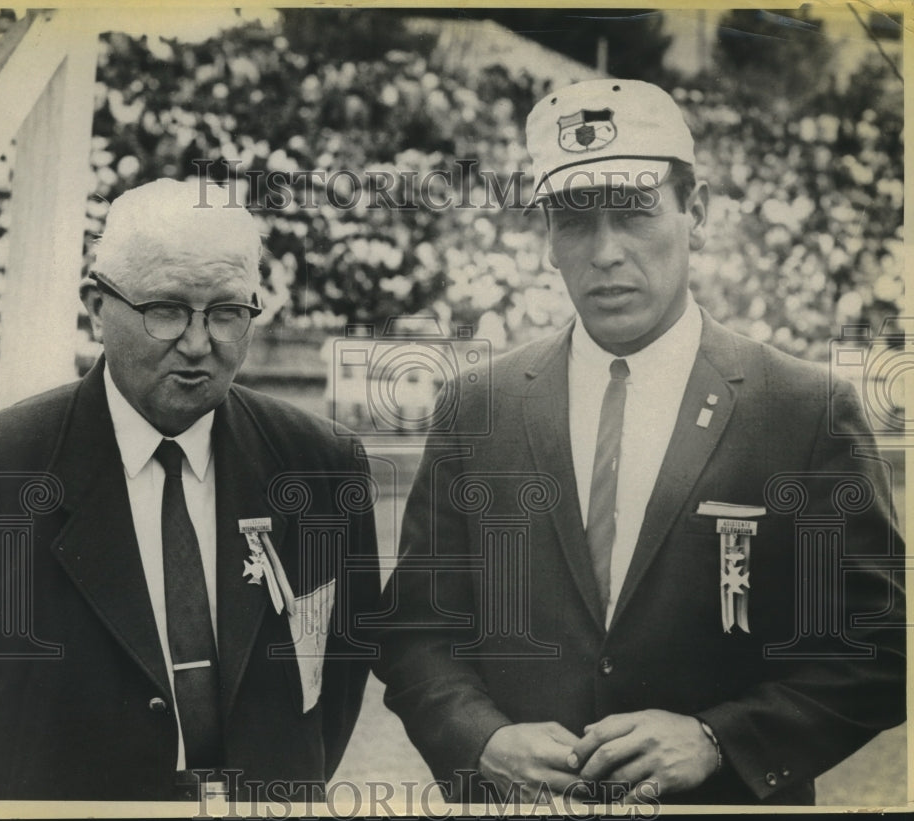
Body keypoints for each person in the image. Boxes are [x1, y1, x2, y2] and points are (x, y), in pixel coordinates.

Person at [374, 80, 905, 805]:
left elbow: (881, 650)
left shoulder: (804, 409)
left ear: (698, 212)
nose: (606, 252)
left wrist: (720, 739)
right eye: (574, 220)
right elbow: (415, 632)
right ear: (547, 238)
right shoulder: (476, 406)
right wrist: (483, 740)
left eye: (633, 211)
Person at [0, 178, 381, 801]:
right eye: (165, 309)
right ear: (96, 307)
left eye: (226, 313)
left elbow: (338, 682)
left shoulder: (322, 467)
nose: (197, 344)